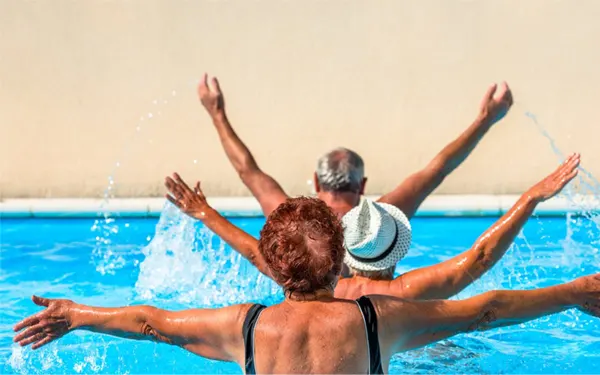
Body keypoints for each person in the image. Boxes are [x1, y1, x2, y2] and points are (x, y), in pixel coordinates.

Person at [14, 197, 600, 374]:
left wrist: (77, 312)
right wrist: (573, 292)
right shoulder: (377, 318)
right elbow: (486, 309)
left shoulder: (244, 324)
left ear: (272, 265)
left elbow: (151, 322)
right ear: (340, 259)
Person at [165, 153, 581, 300]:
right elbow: (480, 258)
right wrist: (529, 199)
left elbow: (256, 252)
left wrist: (204, 212)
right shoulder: (403, 294)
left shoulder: (309, 284)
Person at [197, 73, 513, 219]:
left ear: (317, 181)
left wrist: (217, 114)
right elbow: (439, 168)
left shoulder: (291, 218)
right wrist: (484, 120)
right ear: (362, 185)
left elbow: (247, 171)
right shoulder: (383, 218)